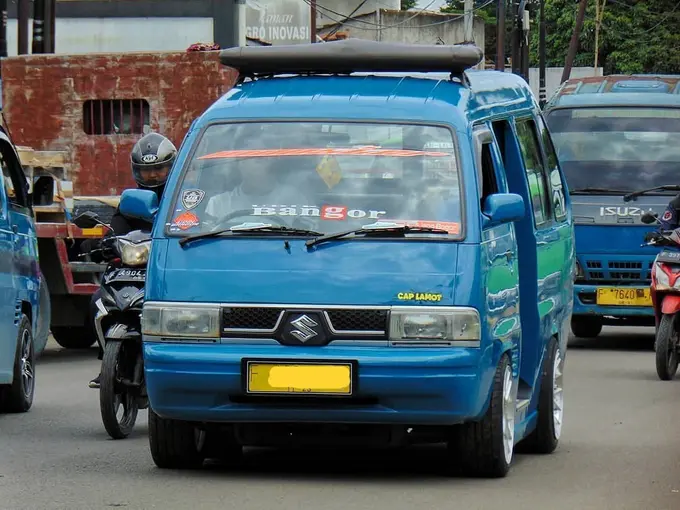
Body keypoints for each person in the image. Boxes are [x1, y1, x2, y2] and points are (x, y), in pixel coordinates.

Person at [85, 132, 177, 389]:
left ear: (172, 166)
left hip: (166, 270)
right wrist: (100, 244)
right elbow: (115, 229)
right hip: (131, 269)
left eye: (159, 169)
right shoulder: (131, 201)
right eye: (146, 171)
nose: (152, 176)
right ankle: (108, 362)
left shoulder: (183, 198)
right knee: (97, 302)